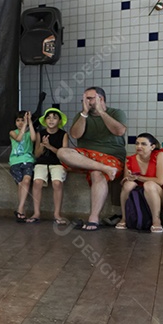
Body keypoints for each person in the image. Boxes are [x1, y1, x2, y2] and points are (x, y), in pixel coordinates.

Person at [56, 87, 128, 231]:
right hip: (87, 156)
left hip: (112, 156)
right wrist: (84, 114)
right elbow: (75, 135)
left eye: (90, 98)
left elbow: (119, 131)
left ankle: (93, 218)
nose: (86, 101)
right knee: (62, 152)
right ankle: (104, 168)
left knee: (96, 173)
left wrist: (101, 112)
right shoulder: (81, 115)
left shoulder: (116, 113)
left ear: (101, 99)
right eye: (84, 99)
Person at [117, 133, 163, 233]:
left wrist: (138, 178)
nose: (139, 146)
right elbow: (125, 180)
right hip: (139, 195)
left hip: (158, 194)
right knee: (128, 185)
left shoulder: (160, 156)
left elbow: (160, 181)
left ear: (152, 147)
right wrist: (128, 179)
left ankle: (156, 221)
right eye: (137, 144)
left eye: (143, 144)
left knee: (149, 184)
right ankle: (124, 218)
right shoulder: (130, 160)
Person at [32, 108, 68, 224]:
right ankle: (36, 213)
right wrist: (42, 145)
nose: (51, 120)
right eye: (48, 118)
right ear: (45, 120)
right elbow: (36, 154)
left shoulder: (63, 134)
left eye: (54, 118)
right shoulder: (40, 134)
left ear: (59, 121)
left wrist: (50, 146)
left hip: (57, 163)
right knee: (37, 182)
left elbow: (65, 155)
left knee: (57, 183)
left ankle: (57, 214)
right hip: (42, 162)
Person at [8, 110, 37, 222]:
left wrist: (30, 123)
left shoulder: (30, 133)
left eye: (22, 120)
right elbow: (19, 138)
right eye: (18, 120)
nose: (20, 123)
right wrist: (25, 124)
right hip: (15, 161)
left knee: (26, 181)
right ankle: (21, 211)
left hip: (28, 160)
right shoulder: (12, 132)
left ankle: (20, 209)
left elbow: (34, 139)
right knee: (21, 184)